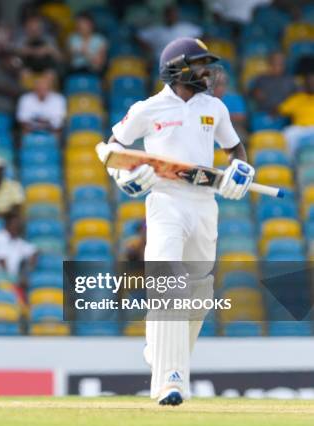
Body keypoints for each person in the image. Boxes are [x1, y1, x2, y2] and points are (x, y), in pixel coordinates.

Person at [96, 38, 253, 406]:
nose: (207, 72)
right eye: (199, 65)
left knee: (199, 291)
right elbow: (111, 149)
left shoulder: (214, 107)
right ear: (177, 68)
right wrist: (125, 177)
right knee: (168, 282)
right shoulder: (148, 108)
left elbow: (235, 150)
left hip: (204, 203)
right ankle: (170, 379)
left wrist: (241, 171)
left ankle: (164, 353)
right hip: (165, 199)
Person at [0, 212, 37, 284]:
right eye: (14, 224)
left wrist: (31, 264)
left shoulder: (18, 242)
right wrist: (14, 279)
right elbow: (1, 261)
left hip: (5, 277)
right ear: (7, 224)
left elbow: (33, 250)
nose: (17, 226)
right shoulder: (0, 237)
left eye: (18, 224)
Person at [137, 5, 202, 59]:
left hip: (182, 60)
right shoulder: (157, 28)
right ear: (164, 15)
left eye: (173, 14)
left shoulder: (186, 27)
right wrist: (149, 49)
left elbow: (201, 35)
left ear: (177, 15)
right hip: (161, 61)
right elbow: (139, 36)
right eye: (168, 14)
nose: (171, 16)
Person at [16, 71, 66, 136]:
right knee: (24, 131)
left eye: (44, 88)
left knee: (58, 132)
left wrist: (41, 122)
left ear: (49, 88)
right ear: (34, 88)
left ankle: (54, 145)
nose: (42, 90)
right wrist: (43, 122)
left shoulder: (59, 99)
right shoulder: (25, 98)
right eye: (39, 88)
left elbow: (59, 121)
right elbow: (22, 119)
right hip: (31, 130)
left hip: (51, 130)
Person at [278, 72, 314, 154]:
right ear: (305, 84)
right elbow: (280, 111)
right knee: (287, 133)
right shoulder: (296, 98)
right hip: (300, 128)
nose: (312, 85)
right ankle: (290, 162)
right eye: (310, 82)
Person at [212, 69, 248, 140]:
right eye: (215, 84)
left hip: (232, 130)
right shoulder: (203, 99)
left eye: (221, 84)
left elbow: (241, 117)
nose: (217, 87)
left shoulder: (235, 98)